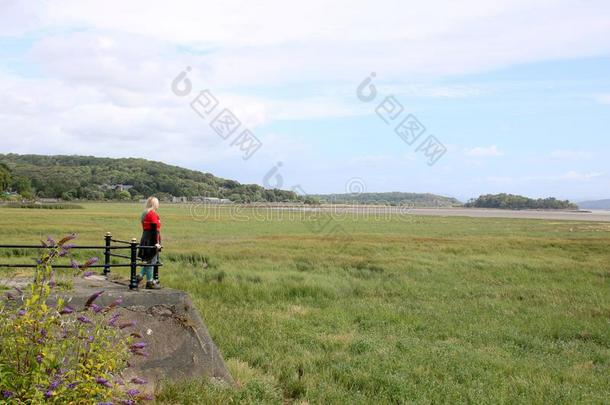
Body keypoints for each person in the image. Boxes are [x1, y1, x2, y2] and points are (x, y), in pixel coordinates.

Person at [137, 196, 162, 289]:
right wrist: (156, 242)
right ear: (154, 204)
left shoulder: (145, 213)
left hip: (146, 238)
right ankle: (150, 282)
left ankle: (139, 277)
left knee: (149, 260)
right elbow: (154, 230)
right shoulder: (152, 214)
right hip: (152, 239)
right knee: (152, 261)